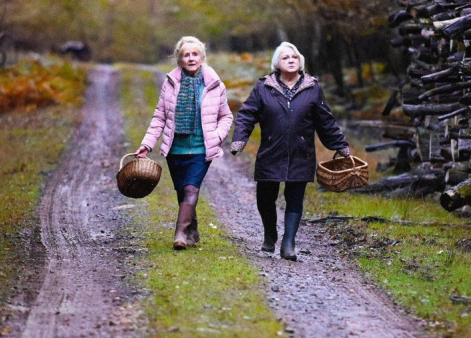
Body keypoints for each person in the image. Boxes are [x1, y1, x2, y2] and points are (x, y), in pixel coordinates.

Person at [230, 41, 350, 261]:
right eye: (286, 57)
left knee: (295, 197)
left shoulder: (312, 87)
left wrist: (340, 145)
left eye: (295, 57)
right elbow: (247, 114)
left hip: (301, 151)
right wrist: (239, 139)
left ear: (300, 61)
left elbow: (325, 120)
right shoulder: (264, 87)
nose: (291, 60)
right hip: (270, 150)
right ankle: (270, 233)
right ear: (278, 63)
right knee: (265, 197)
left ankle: (289, 243)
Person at [135, 36, 233, 250]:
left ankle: (179, 233)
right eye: (186, 55)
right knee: (182, 191)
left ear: (202, 57)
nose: (191, 58)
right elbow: (159, 116)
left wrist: (216, 137)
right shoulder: (170, 84)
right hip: (175, 148)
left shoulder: (215, 84)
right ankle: (192, 228)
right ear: (179, 59)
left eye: (195, 54)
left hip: (201, 147)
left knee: (191, 189)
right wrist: (147, 144)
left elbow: (226, 116)